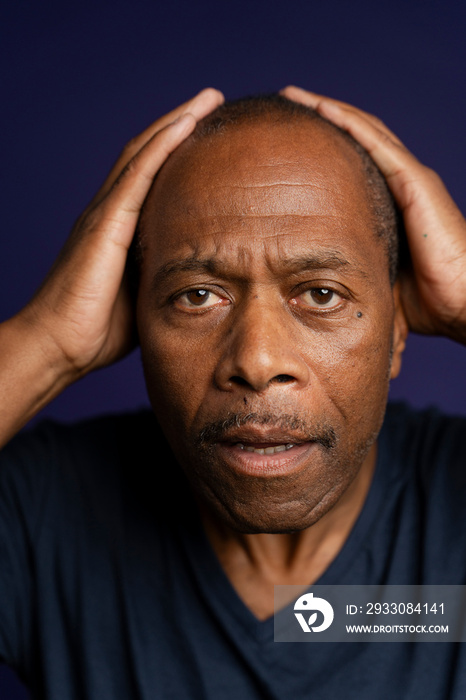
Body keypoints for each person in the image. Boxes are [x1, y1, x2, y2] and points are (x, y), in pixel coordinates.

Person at [1, 85, 466, 699]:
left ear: (397, 329)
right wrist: (49, 340)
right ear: (135, 316)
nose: (258, 360)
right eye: (198, 295)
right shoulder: (44, 512)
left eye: (321, 294)